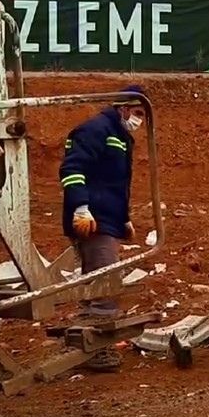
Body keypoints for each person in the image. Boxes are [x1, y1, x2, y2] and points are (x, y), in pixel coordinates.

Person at [59, 85, 146, 371]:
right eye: (137, 113)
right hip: (93, 220)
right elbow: (72, 170)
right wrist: (81, 208)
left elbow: (114, 185)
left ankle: (82, 345)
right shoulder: (96, 130)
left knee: (94, 286)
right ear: (123, 108)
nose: (139, 120)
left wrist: (123, 219)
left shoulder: (119, 136)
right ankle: (94, 351)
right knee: (104, 287)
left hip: (106, 219)